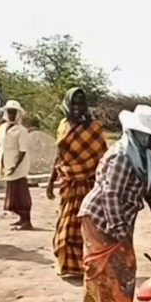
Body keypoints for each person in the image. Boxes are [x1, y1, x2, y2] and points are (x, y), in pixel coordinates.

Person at [79, 105, 151, 302]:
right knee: (122, 265)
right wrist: (118, 228)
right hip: (102, 217)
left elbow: (147, 186)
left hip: (117, 216)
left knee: (103, 265)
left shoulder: (143, 156)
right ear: (141, 134)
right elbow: (111, 193)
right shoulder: (122, 155)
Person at [48, 87, 108, 280]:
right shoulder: (63, 125)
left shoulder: (94, 128)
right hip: (69, 183)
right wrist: (51, 181)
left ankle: (86, 265)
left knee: (87, 226)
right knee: (66, 225)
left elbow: (103, 158)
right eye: (74, 103)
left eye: (81, 103)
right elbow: (60, 156)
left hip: (89, 185)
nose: (77, 107)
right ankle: (67, 265)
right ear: (67, 103)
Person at [0, 99, 33, 230]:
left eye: (14, 113)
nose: (11, 115)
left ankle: (27, 220)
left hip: (18, 165)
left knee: (21, 192)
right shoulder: (1, 128)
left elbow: (22, 151)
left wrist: (15, 166)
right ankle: (21, 218)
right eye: (9, 112)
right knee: (12, 193)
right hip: (7, 164)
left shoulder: (22, 130)